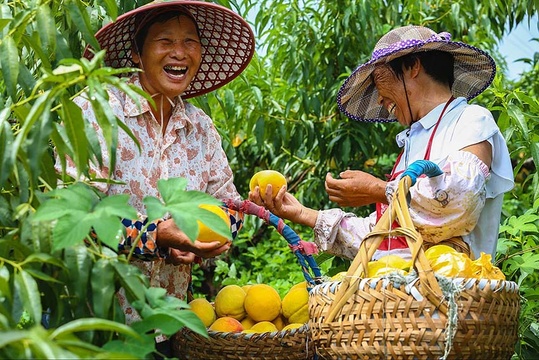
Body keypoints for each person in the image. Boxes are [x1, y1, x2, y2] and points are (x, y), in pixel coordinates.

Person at [55, 0, 255, 356]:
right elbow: (71, 217)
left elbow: (230, 205)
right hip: (90, 323)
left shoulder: (201, 130)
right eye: (165, 40)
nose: (179, 53)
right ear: (136, 52)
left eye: (190, 42)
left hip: (166, 326)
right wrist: (157, 236)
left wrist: (217, 234)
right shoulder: (96, 111)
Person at [249, 25, 514, 263]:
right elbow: (383, 237)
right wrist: (301, 213)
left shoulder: (471, 120)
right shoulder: (412, 142)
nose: (379, 99)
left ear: (412, 67)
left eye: (379, 80)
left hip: (452, 304)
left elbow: (460, 201)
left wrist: (379, 189)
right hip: (399, 306)